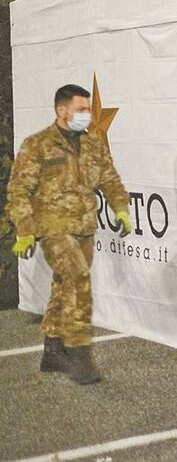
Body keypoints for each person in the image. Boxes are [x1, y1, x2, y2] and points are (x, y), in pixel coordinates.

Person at [6, 84, 132, 384]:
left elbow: (110, 179)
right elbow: (18, 190)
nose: (86, 115)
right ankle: (79, 355)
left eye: (88, 109)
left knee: (65, 284)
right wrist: (24, 230)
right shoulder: (37, 144)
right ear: (62, 110)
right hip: (53, 226)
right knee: (78, 278)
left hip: (85, 226)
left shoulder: (93, 144)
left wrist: (121, 208)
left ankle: (52, 349)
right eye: (81, 109)